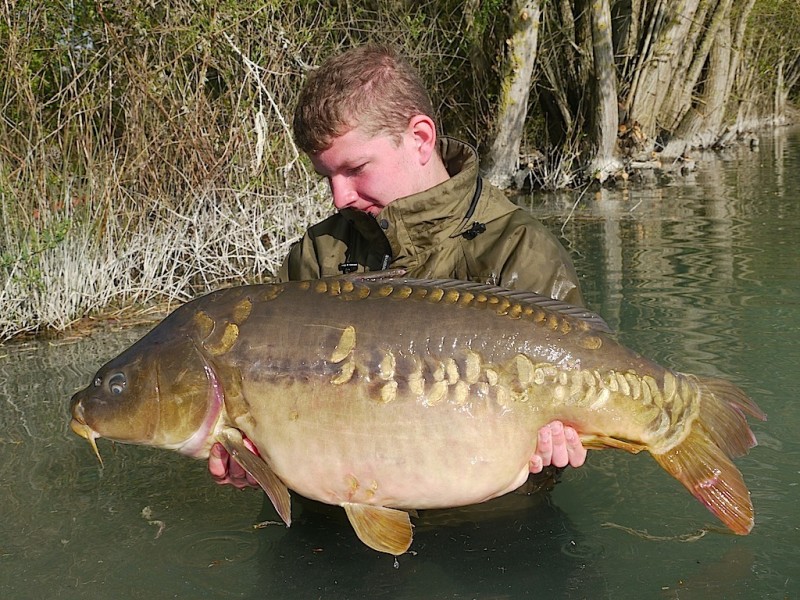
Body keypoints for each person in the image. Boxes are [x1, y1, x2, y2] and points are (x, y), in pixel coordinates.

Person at [209, 44, 587, 490]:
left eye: (355, 168)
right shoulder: (318, 253)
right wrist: (258, 459)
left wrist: (558, 448)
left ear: (421, 138)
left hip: (491, 526)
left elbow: (571, 420)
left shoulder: (517, 249)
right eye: (326, 177)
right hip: (336, 526)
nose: (339, 197)